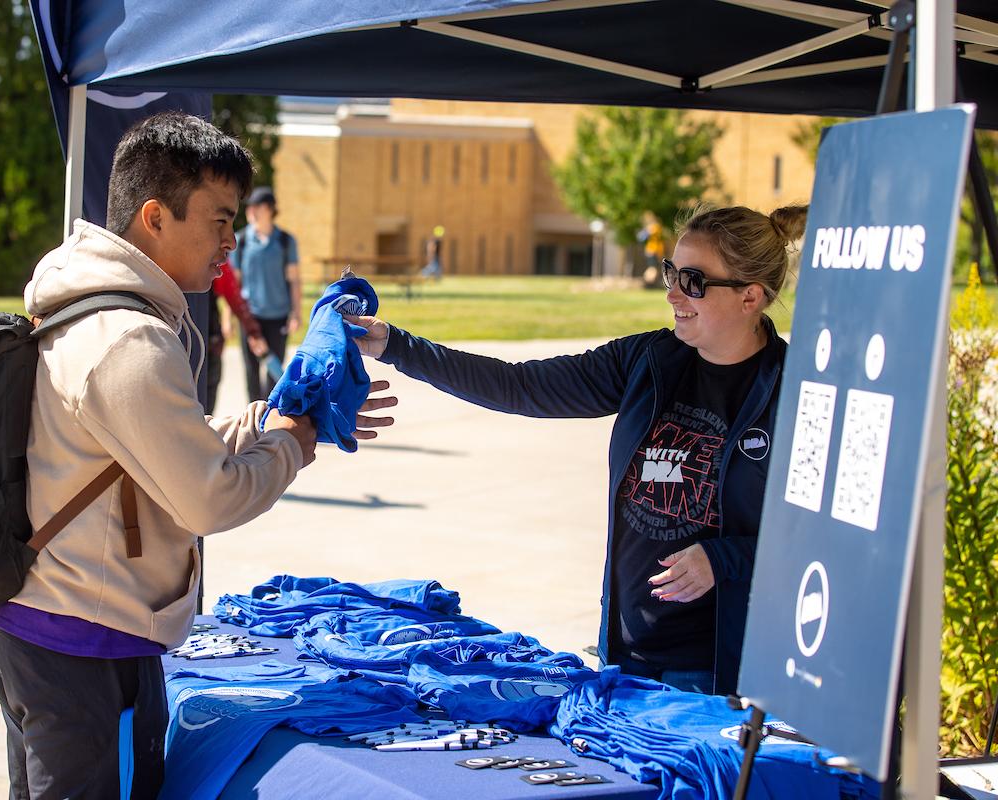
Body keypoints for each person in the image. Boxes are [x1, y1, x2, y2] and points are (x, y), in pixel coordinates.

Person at [0, 112, 396, 799]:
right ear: (155, 217)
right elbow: (208, 496)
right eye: (219, 220)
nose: (232, 240)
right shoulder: (126, 339)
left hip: (56, 627)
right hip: (84, 642)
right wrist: (295, 443)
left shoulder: (89, 306)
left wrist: (274, 416)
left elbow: (162, 453)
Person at [349, 203, 807, 697]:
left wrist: (725, 559)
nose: (672, 293)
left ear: (750, 297)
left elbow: (822, 542)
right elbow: (520, 385)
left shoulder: (796, 392)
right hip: (625, 657)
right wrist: (394, 344)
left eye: (693, 281)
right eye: (672, 273)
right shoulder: (648, 361)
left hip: (717, 673)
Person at [230, 185, 300, 401]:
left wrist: (296, 313)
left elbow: (294, 279)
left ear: (269, 209)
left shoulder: (285, 241)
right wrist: (228, 319)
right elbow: (233, 284)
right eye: (248, 207)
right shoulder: (240, 241)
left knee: (274, 373)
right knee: (251, 372)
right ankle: (253, 425)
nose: (250, 211)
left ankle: (270, 419)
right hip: (249, 317)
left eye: (256, 207)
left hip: (278, 315)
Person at [205, 262, 270, 412]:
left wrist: (253, 330)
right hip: (183, 340)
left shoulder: (213, 257)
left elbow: (231, 291)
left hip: (209, 341)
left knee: (205, 401)